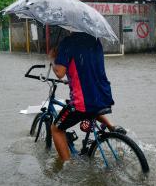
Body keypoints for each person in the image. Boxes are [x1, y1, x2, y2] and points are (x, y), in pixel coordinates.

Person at [49, 31, 124, 161]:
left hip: (82, 101)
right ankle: (112, 126)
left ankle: (66, 167)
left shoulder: (68, 43)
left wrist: (53, 58)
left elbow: (60, 73)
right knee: (91, 109)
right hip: (102, 95)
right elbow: (86, 66)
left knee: (56, 129)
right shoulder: (95, 40)